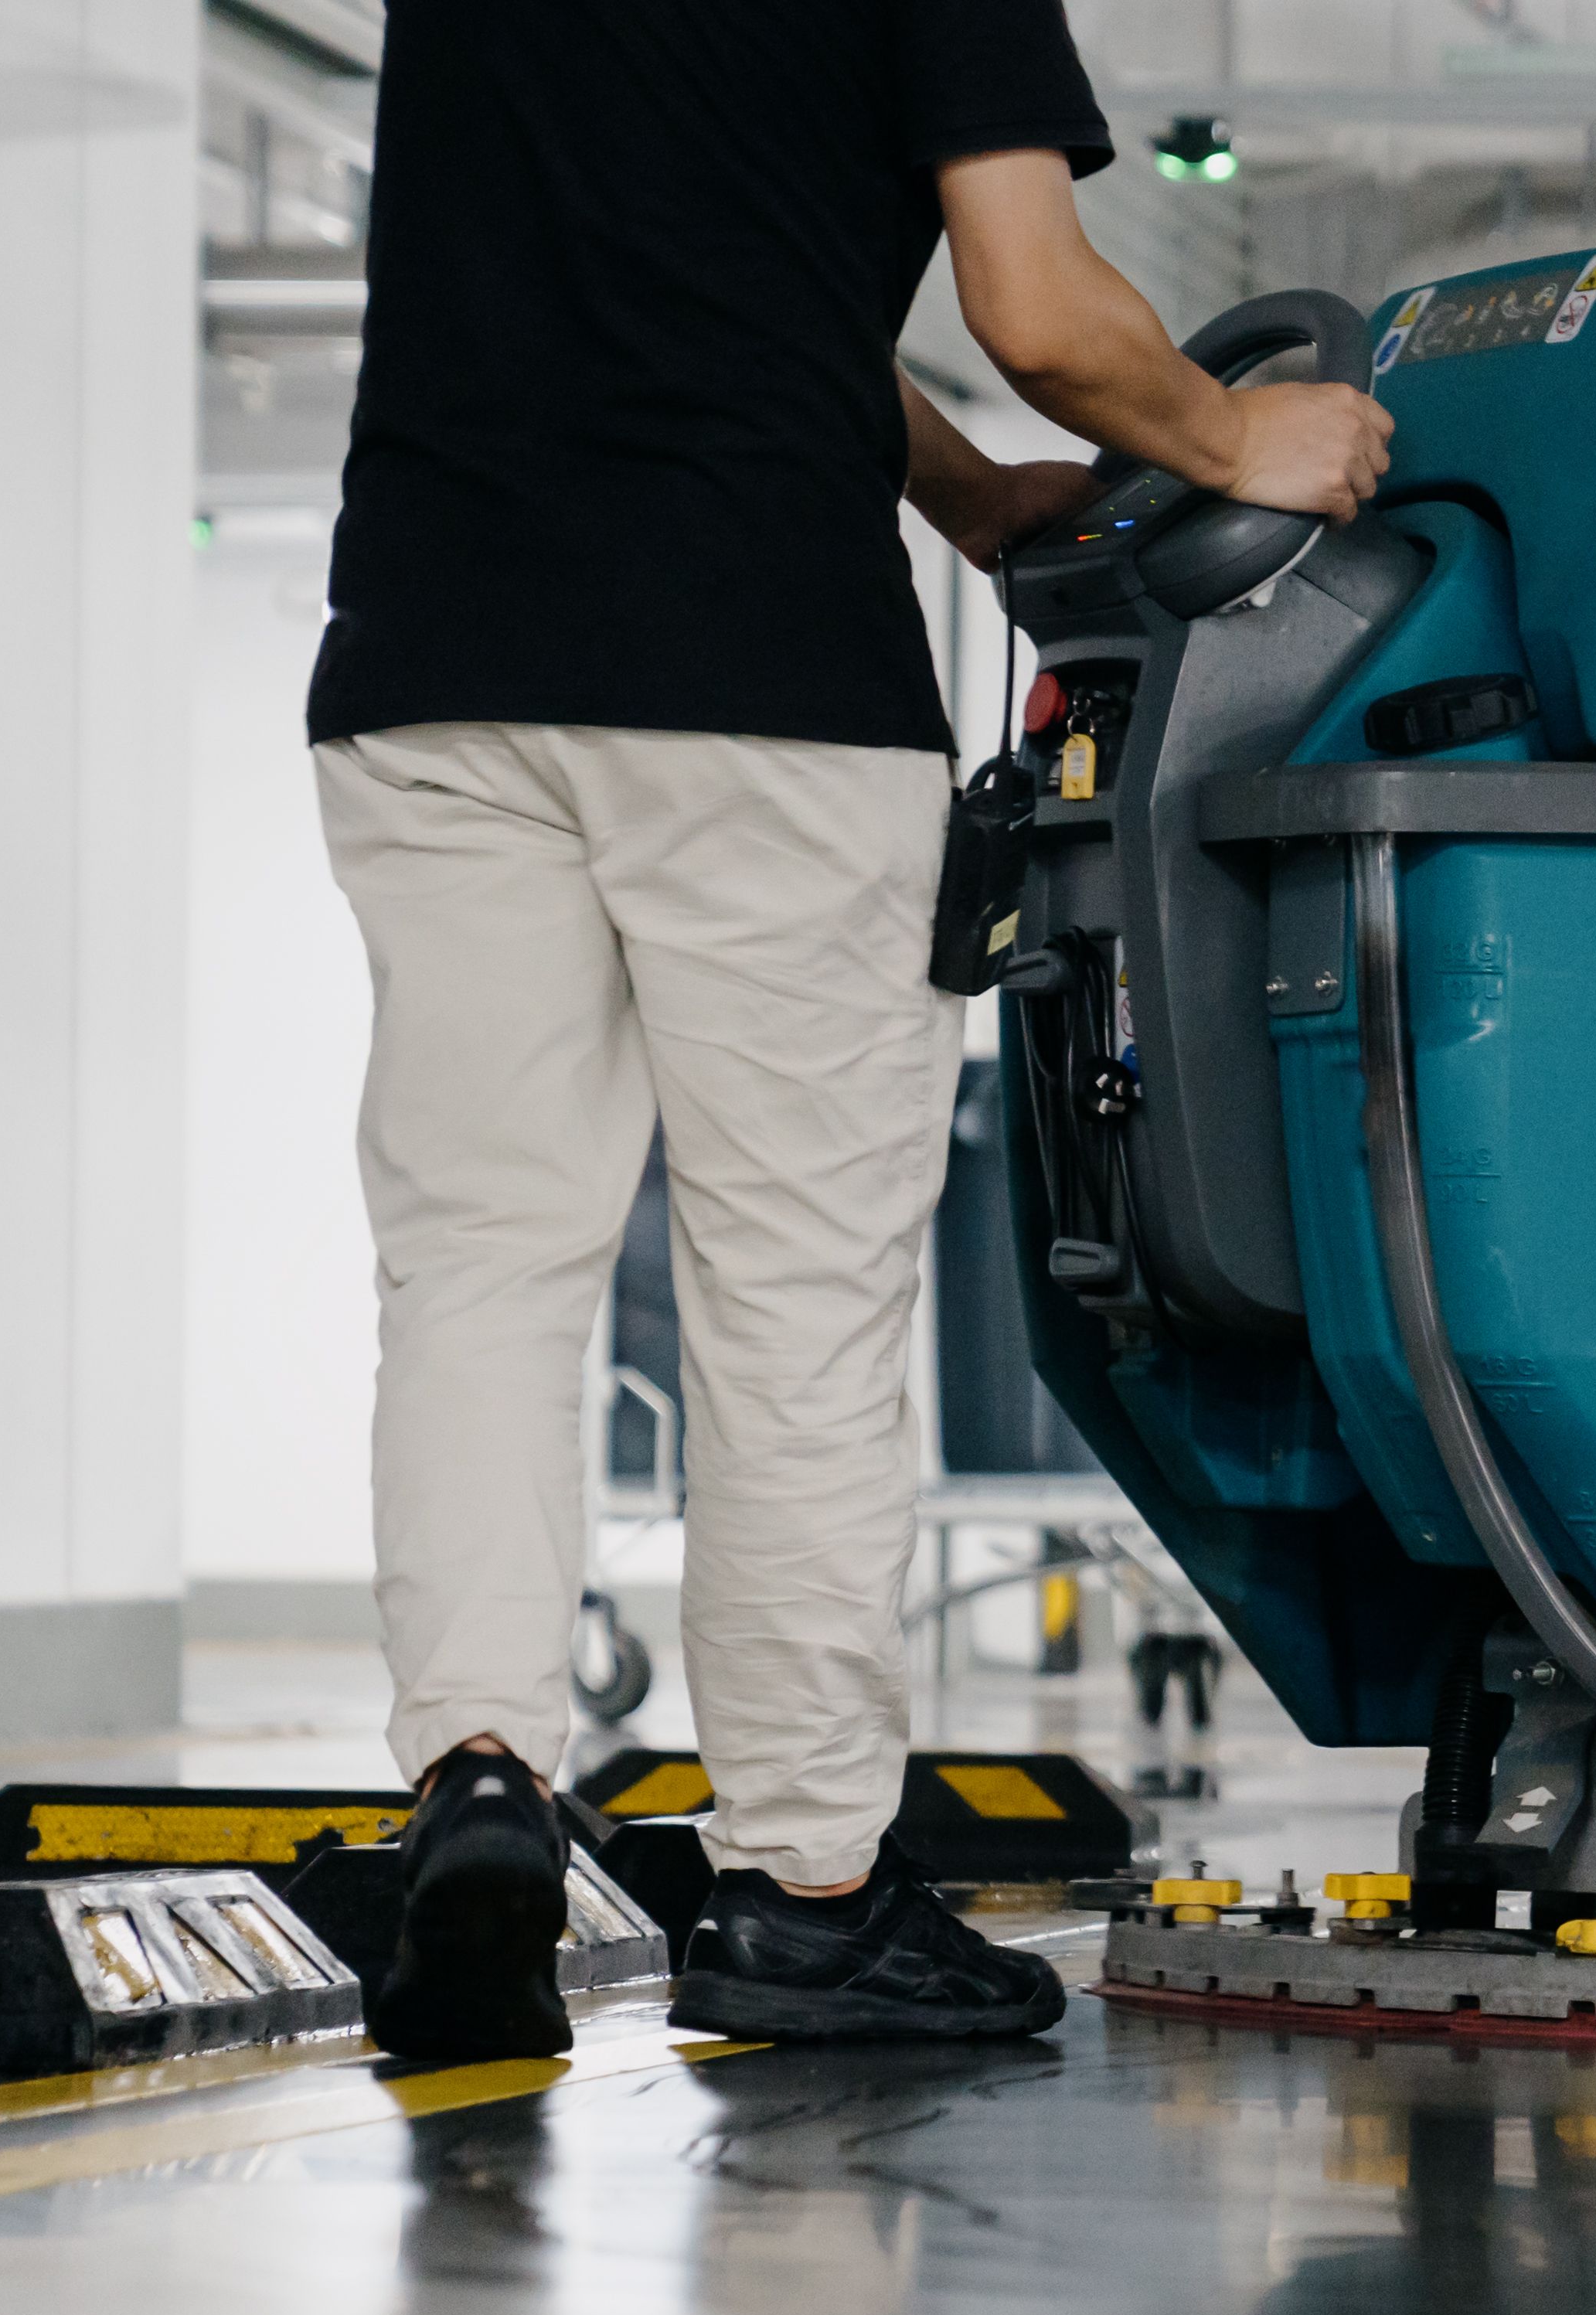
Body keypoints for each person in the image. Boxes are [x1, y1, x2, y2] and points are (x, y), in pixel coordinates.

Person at [307, 0, 1390, 2059]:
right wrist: (1238, 440)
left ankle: (478, 1782)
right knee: (791, 1299)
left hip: (432, 668)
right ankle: (803, 1888)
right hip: (758, 675)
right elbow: (1041, 310)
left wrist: (967, 493)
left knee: (478, 1266)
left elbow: (697, 267)